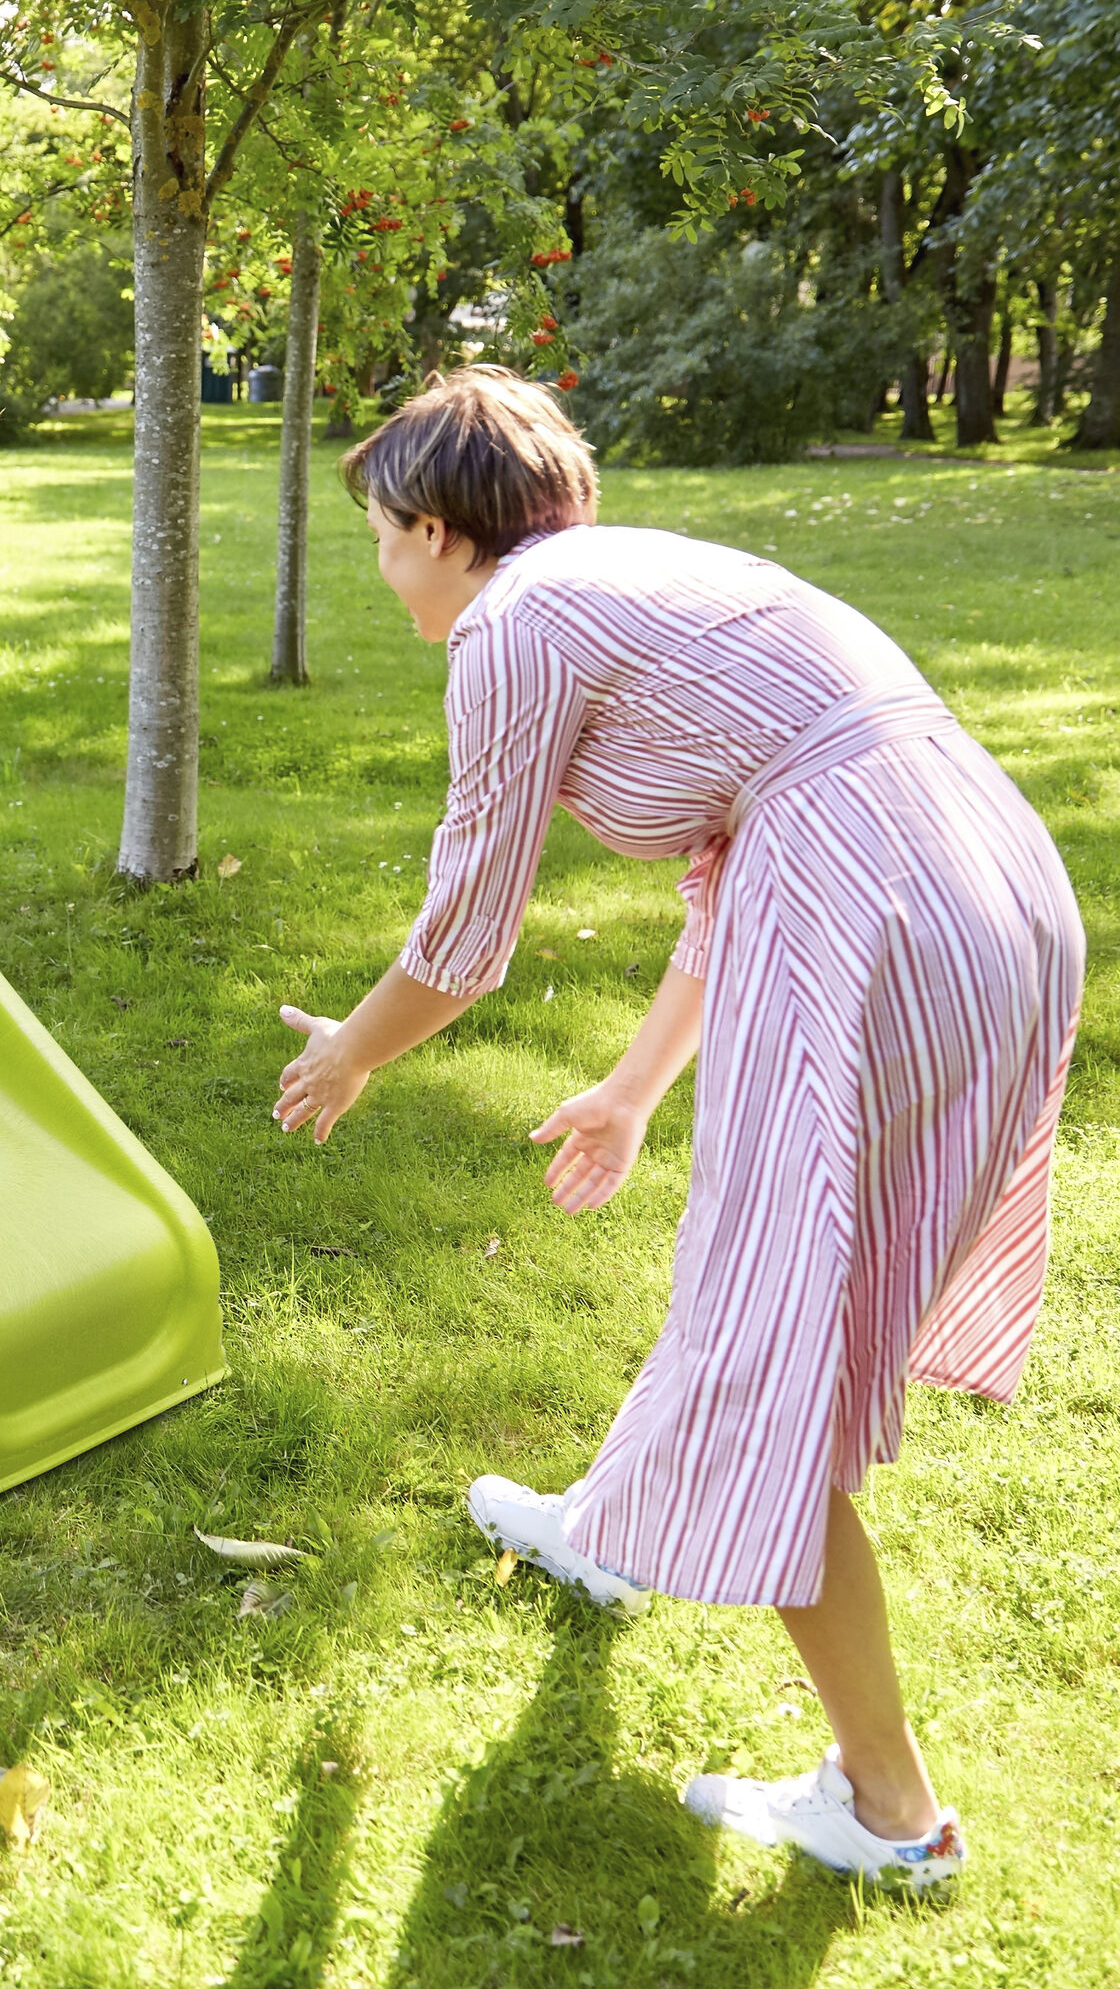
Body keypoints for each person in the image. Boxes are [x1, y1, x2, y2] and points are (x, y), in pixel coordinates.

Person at [272, 365, 1082, 1892]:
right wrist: (636, 1087)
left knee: (775, 1344)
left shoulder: (515, 624)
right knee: (759, 1292)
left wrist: (354, 1059)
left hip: (875, 913)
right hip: (985, 883)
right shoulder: (636, 577)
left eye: (380, 533)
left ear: (442, 533)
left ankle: (892, 1813)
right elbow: (731, 853)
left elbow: (467, 931)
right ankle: (610, 1525)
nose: (382, 568)